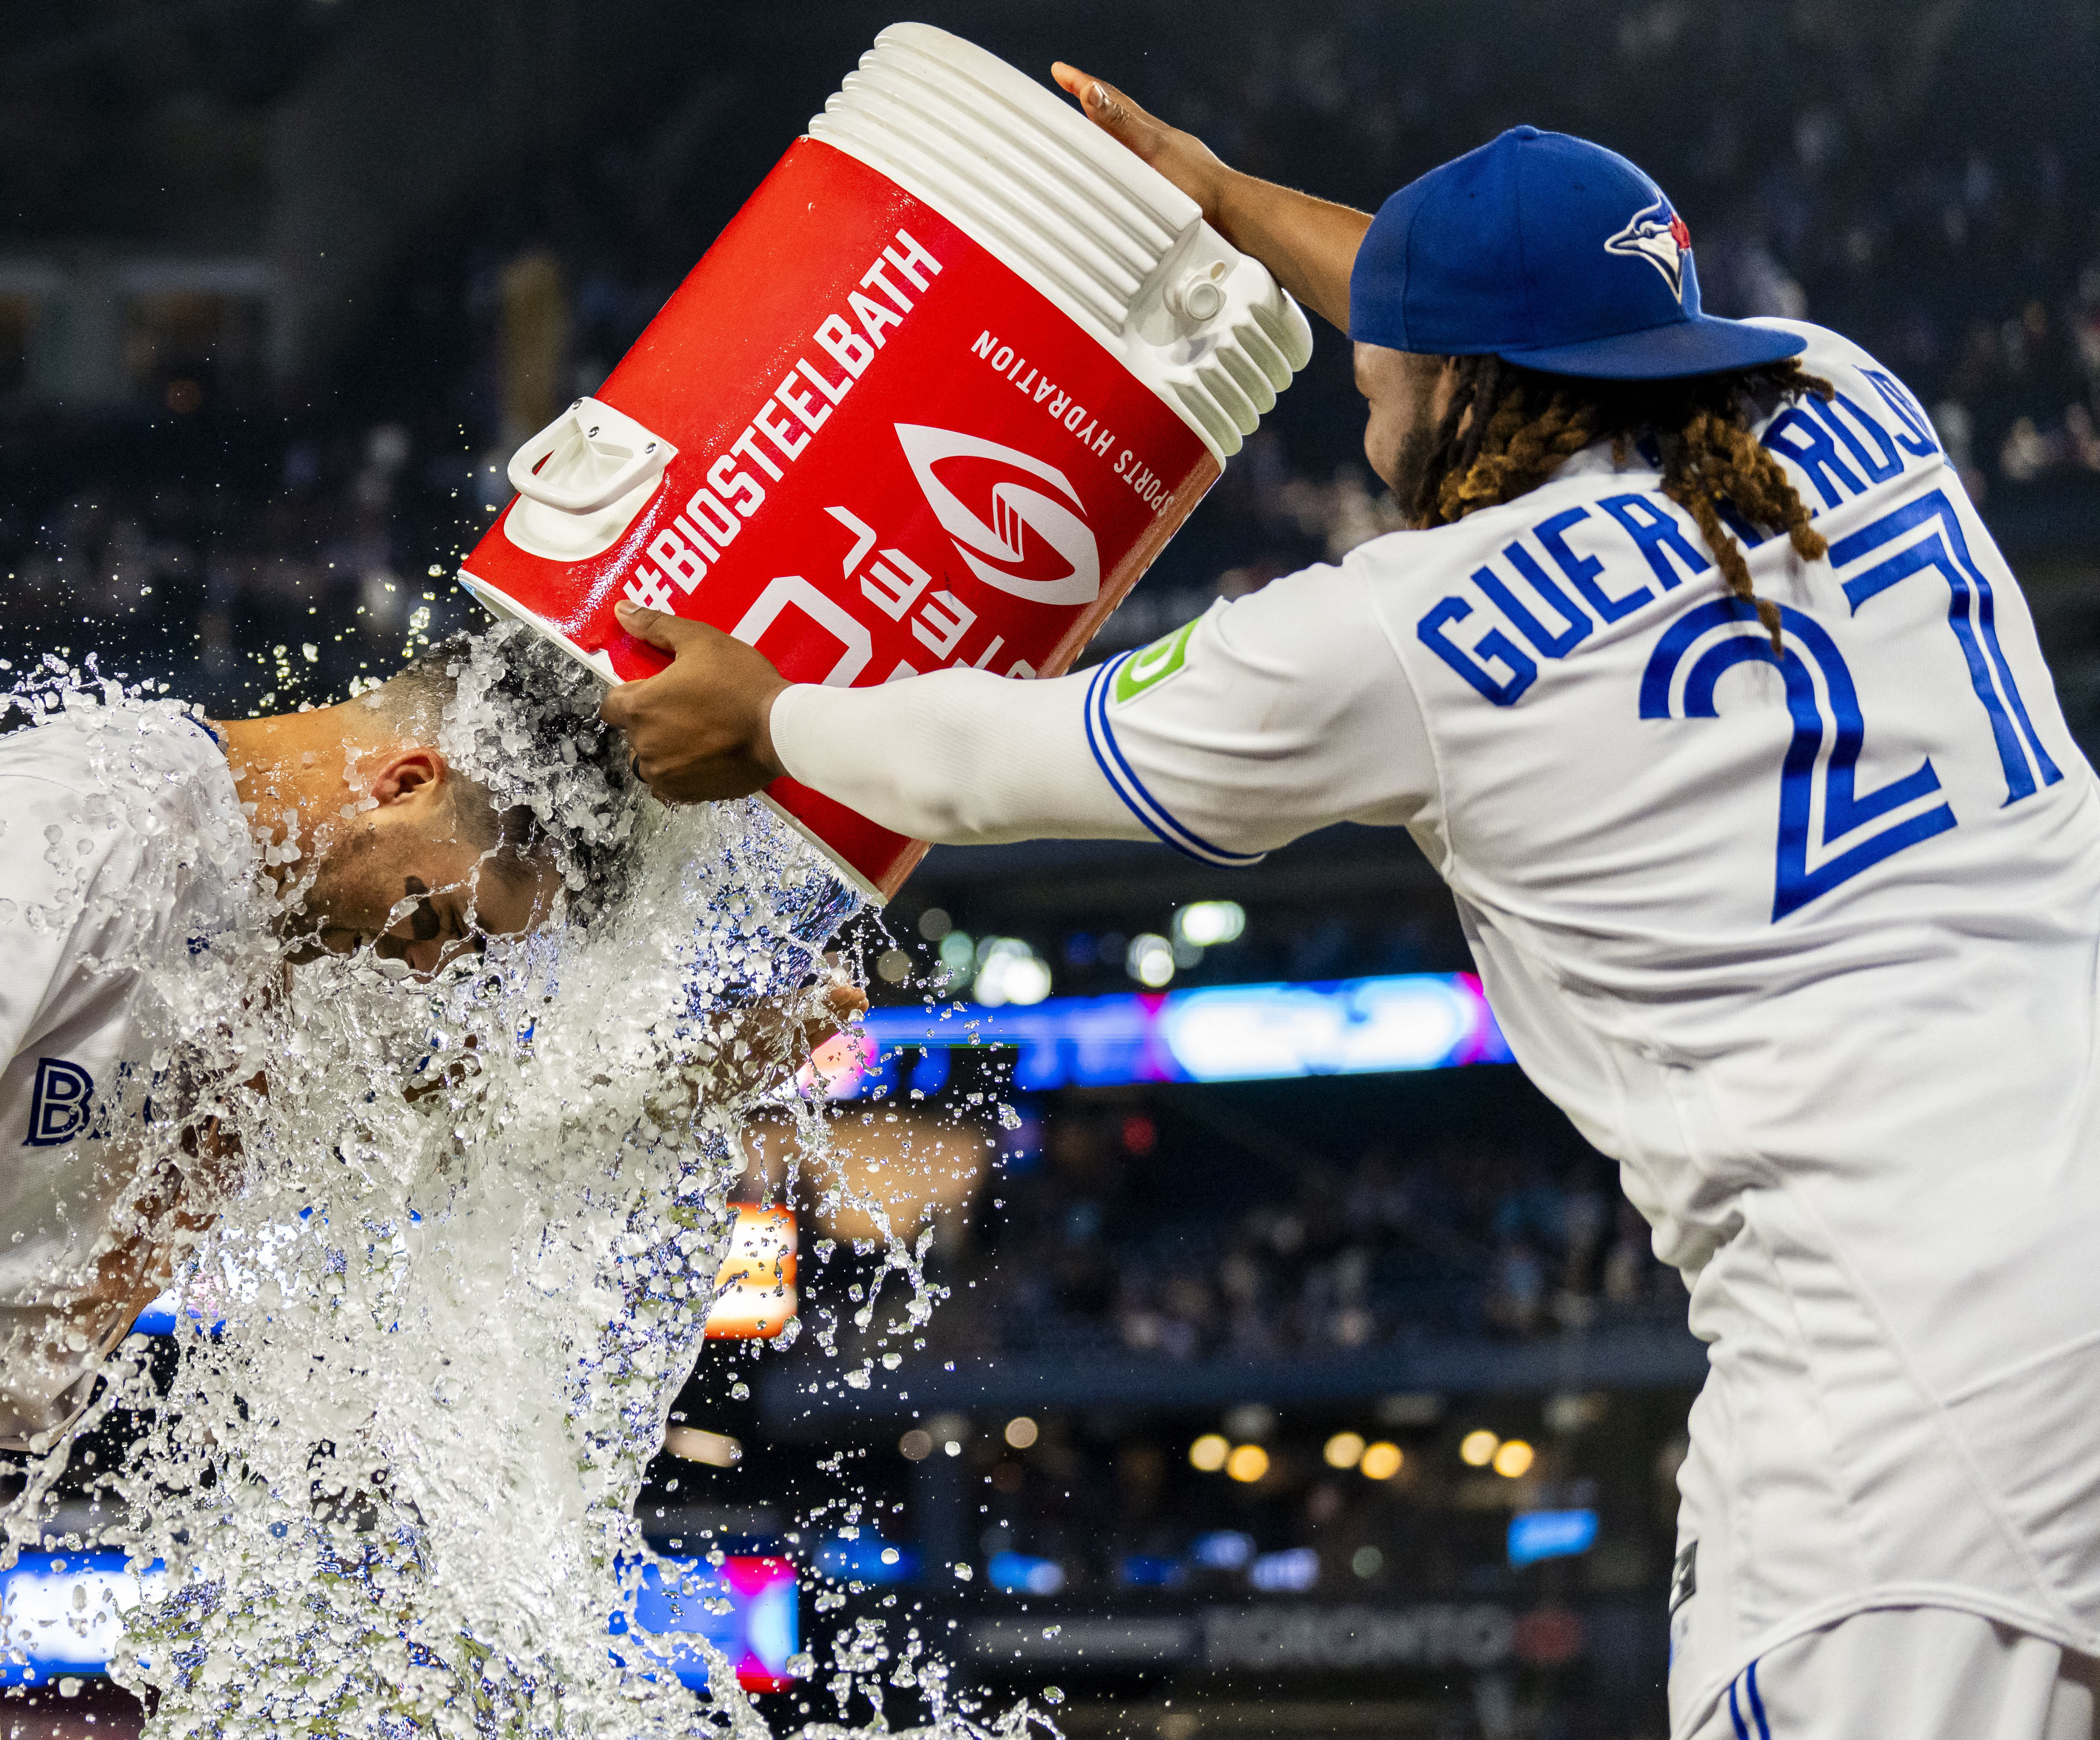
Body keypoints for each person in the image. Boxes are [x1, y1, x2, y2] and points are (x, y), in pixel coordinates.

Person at [604, 68, 2100, 1740]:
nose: (1353, 369)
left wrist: (767, 722)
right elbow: (1483, 311)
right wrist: (1230, 197)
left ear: (1459, 368)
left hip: (1924, 1377)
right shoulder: (1842, 391)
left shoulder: (1405, 633)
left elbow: (997, 755)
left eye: (1382, 346)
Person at [0, 639, 846, 1740]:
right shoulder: (91, 812)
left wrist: (690, 1075)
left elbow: (443, 1124)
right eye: (443, 918)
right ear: (400, 776)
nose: (436, 963)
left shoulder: (306, 909)